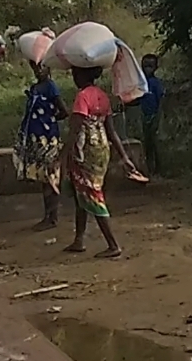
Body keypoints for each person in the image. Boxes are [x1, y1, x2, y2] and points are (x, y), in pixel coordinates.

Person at [62, 66, 145, 260]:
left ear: (82, 75)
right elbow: (112, 132)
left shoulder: (82, 97)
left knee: (91, 194)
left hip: (85, 151)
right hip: (101, 149)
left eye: (75, 73)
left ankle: (112, 244)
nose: (74, 77)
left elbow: (75, 131)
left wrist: (63, 156)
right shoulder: (102, 96)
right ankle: (79, 239)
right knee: (82, 192)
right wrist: (124, 157)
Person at [13, 61, 67, 230]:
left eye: (42, 67)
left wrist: (49, 120)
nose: (38, 70)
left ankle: (52, 217)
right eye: (36, 67)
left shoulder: (51, 87)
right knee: (43, 178)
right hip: (36, 139)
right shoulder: (35, 88)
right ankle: (48, 215)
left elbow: (64, 111)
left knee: (50, 177)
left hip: (48, 139)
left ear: (48, 68)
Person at [140, 54, 164, 177]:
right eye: (145, 66)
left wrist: (158, 117)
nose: (147, 69)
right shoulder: (140, 83)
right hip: (143, 116)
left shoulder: (156, 83)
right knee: (146, 143)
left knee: (155, 143)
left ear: (155, 67)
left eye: (150, 66)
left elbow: (161, 101)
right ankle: (149, 168)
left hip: (154, 115)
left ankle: (159, 168)